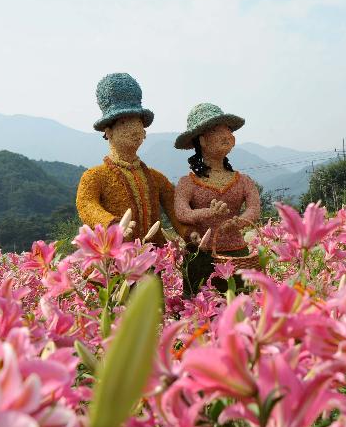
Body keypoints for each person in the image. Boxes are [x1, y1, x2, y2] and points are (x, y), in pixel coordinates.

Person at [76, 73, 187, 245]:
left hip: (154, 258)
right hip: (115, 258)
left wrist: (188, 232)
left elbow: (175, 209)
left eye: (138, 123)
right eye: (124, 123)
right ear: (108, 130)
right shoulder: (94, 176)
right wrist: (112, 224)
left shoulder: (156, 178)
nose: (135, 129)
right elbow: (87, 204)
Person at [174, 103, 260, 294]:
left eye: (228, 130)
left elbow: (254, 208)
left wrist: (241, 220)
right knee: (201, 312)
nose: (226, 135)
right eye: (216, 130)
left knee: (240, 308)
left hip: (238, 255)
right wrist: (208, 212)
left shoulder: (244, 181)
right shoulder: (187, 183)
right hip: (201, 257)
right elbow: (181, 212)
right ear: (203, 140)